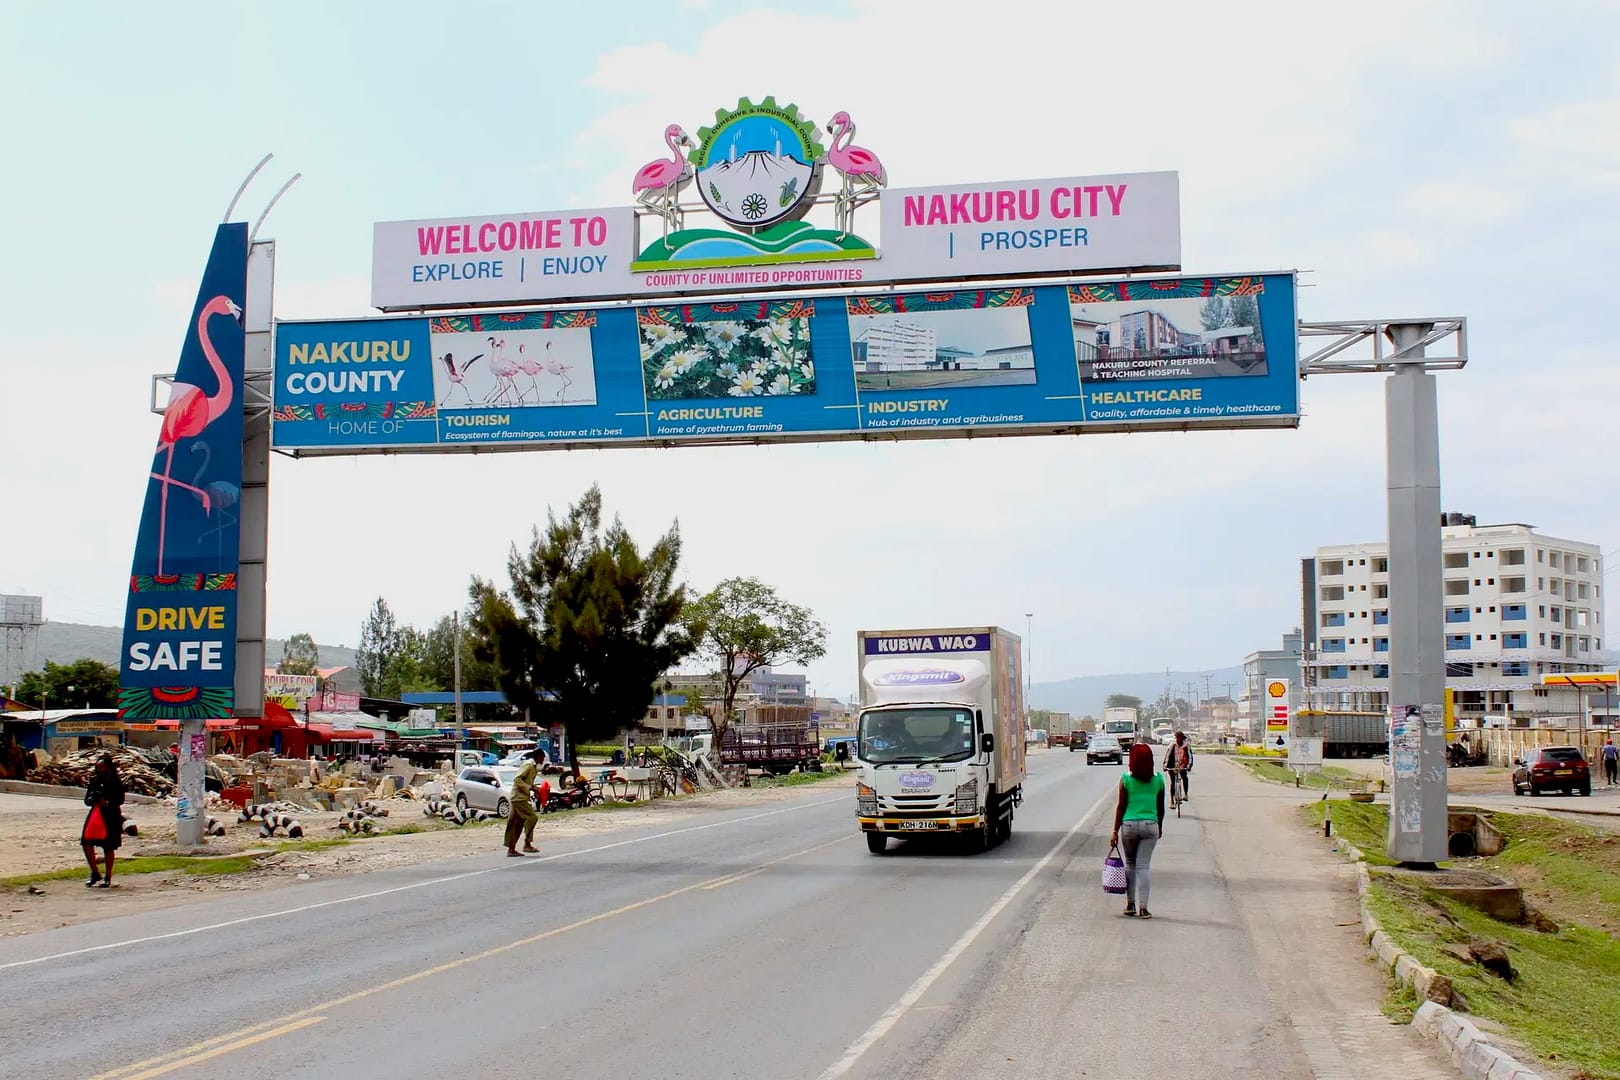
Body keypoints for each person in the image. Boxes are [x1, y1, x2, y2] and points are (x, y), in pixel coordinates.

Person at [1110, 743, 1166, 919]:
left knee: (1130, 864)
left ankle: (1130, 904)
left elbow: (1121, 807)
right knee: (1143, 867)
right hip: (1151, 826)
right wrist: (1160, 826)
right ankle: (1144, 908)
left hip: (1129, 826)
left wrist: (1114, 831)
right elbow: (1161, 808)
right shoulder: (1158, 780)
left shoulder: (1125, 779)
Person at [81, 753, 126, 888]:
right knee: (86, 842)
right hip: (95, 814)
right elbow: (86, 800)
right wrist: (94, 799)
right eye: (98, 767)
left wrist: (107, 802)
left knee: (108, 846)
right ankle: (95, 872)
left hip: (110, 815)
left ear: (108, 767)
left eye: (103, 767)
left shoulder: (115, 781)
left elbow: (120, 800)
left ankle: (108, 876)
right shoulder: (94, 780)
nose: (100, 770)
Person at [504, 748, 543, 857]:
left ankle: (511, 849)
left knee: (516, 824)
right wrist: (528, 788)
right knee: (532, 817)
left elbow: (527, 782)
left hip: (519, 797)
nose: (544, 759)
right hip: (518, 798)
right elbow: (517, 779)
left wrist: (534, 788)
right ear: (538, 756)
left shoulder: (533, 767)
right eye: (543, 757)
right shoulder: (528, 765)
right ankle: (527, 843)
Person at [1163, 731, 1193, 802]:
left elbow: (1190, 756)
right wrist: (1165, 766)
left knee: (1184, 777)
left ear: (1182, 738)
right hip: (1172, 764)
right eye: (1177, 738)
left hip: (1182, 764)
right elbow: (1167, 756)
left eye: (1180, 738)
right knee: (1173, 782)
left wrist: (1189, 766)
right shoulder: (1172, 745)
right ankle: (1172, 801)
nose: (1178, 739)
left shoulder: (1186, 746)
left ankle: (1185, 794)